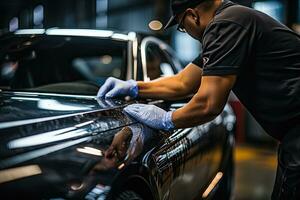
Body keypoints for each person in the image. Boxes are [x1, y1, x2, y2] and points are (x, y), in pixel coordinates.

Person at [97, 0, 300, 199]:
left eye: (182, 27)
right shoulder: (234, 22)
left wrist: (167, 119)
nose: (186, 32)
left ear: (192, 15)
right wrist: (134, 87)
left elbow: (209, 104)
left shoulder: (226, 25)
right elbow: (183, 82)